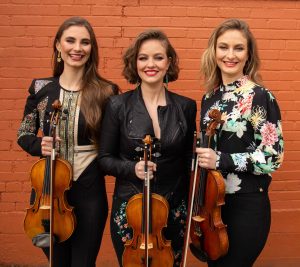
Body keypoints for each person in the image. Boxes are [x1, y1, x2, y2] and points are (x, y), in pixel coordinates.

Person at [17, 16, 118, 267]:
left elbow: (113, 143)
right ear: (58, 46)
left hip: (89, 188)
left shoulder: (107, 91)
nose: (77, 48)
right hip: (48, 191)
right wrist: (37, 145)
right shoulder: (40, 88)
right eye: (70, 40)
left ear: (91, 49)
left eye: (85, 42)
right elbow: (24, 133)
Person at [98, 29, 197, 266]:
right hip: (132, 209)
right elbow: (104, 159)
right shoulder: (117, 106)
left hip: (174, 207)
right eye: (143, 58)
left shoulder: (186, 107)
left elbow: (187, 161)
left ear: (168, 62)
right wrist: (133, 168)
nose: (150, 64)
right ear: (134, 62)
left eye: (158, 57)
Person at [196, 18, 284, 267]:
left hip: (246, 205)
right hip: (212, 206)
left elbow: (272, 157)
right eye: (223, 47)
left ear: (248, 55)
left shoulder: (260, 96)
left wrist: (221, 159)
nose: (230, 55)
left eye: (238, 48)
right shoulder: (210, 98)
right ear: (214, 51)